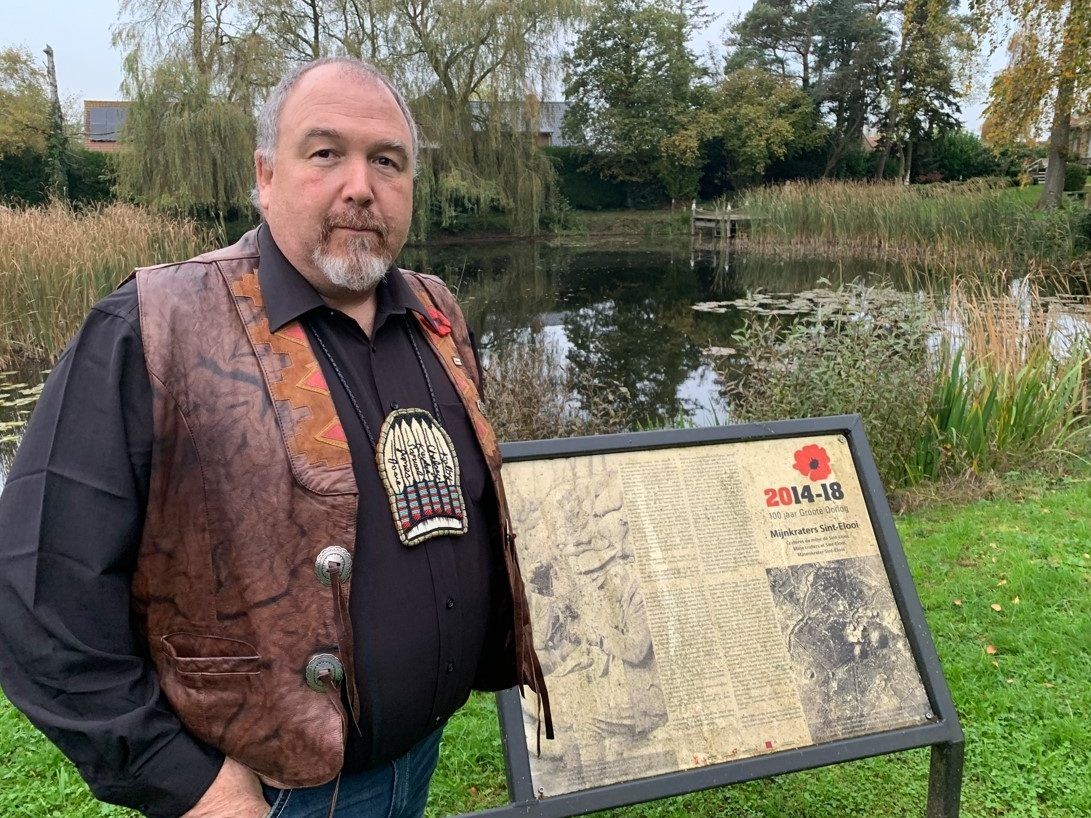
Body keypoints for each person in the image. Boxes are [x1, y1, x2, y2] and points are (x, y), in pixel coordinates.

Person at [0, 57, 549, 818]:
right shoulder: (153, 325)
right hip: (268, 796)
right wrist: (181, 778)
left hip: (418, 758)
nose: (360, 184)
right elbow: (37, 590)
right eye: (325, 153)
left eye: (386, 160)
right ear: (265, 174)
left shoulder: (437, 313)